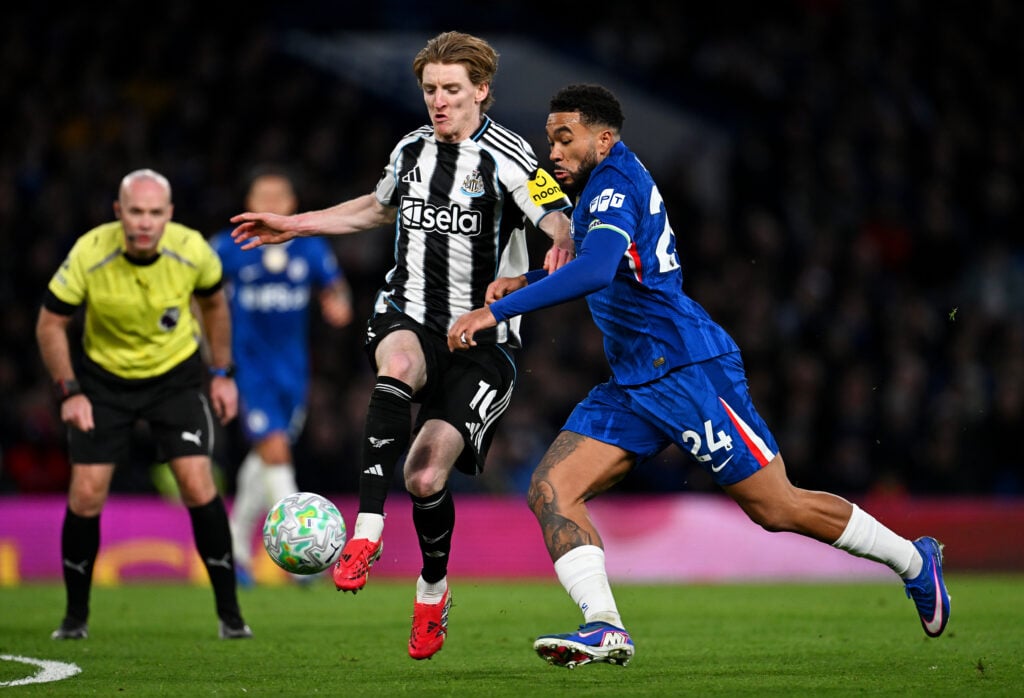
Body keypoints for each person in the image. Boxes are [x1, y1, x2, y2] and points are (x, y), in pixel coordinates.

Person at [447, 84, 951, 668]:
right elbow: (554, 206)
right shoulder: (595, 179)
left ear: (604, 139)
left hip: (688, 368)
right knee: (551, 490)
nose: (553, 151)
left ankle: (915, 561)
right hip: (636, 380)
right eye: (550, 137)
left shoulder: (614, 185)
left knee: (776, 508)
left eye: (565, 138)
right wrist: (527, 277)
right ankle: (604, 626)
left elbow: (596, 270)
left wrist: (498, 308)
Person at [230, 31, 573, 660]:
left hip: (483, 340)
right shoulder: (411, 149)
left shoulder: (513, 158)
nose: (438, 102)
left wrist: (546, 251)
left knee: (423, 476)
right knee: (397, 365)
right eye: (430, 90)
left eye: (451, 90)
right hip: (408, 314)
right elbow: (375, 208)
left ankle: (432, 593)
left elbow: (555, 216)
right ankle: (365, 530)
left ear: (481, 91)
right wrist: (295, 224)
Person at [36, 168, 253, 640]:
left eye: (155, 213)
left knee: (198, 484)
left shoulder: (192, 249)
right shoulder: (90, 252)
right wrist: (69, 392)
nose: (145, 223)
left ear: (169, 215)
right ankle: (75, 619)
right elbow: (50, 324)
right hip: (102, 382)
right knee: (87, 491)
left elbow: (215, 306)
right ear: (119, 213)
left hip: (173, 380)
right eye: (135, 211)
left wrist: (221, 375)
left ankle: (231, 617)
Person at [210, 165, 354, 587]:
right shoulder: (227, 248)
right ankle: (303, 554)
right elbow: (193, 289)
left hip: (294, 372)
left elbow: (337, 287)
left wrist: (339, 303)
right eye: (262, 196)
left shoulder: (309, 249)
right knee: (274, 451)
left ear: (292, 205)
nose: (271, 203)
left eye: (280, 196)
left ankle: (232, 548)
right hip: (249, 369)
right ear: (248, 205)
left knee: (263, 460)